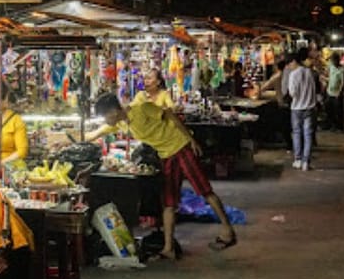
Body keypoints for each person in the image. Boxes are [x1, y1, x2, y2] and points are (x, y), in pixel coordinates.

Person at [91, 93, 237, 260]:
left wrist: (191, 140)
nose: (104, 120)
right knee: (169, 202)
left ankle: (228, 230)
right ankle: (168, 248)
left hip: (181, 147)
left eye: (104, 116)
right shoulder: (123, 124)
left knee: (204, 190)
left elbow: (170, 115)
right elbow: (101, 131)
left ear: (113, 112)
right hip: (165, 156)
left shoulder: (142, 109)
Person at [286, 49, 318, 171]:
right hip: (310, 107)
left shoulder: (293, 74)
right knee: (308, 135)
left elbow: (293, 93)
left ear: (294, 61)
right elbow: (314, 89)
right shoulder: (309, 72)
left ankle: (298, 160)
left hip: (297, 109)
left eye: (289, 63)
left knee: (297, 134)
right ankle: (306, 162)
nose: (288, 66)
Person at [324, 52, 344, 132]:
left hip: (337, 94)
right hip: (330, 92)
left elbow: (342, 82)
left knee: (338, 111)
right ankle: (332, 125)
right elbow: (330, 78)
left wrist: (339, 92)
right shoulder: (331, 67)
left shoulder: (341, 69)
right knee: (330, 110)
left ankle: (339, 127)